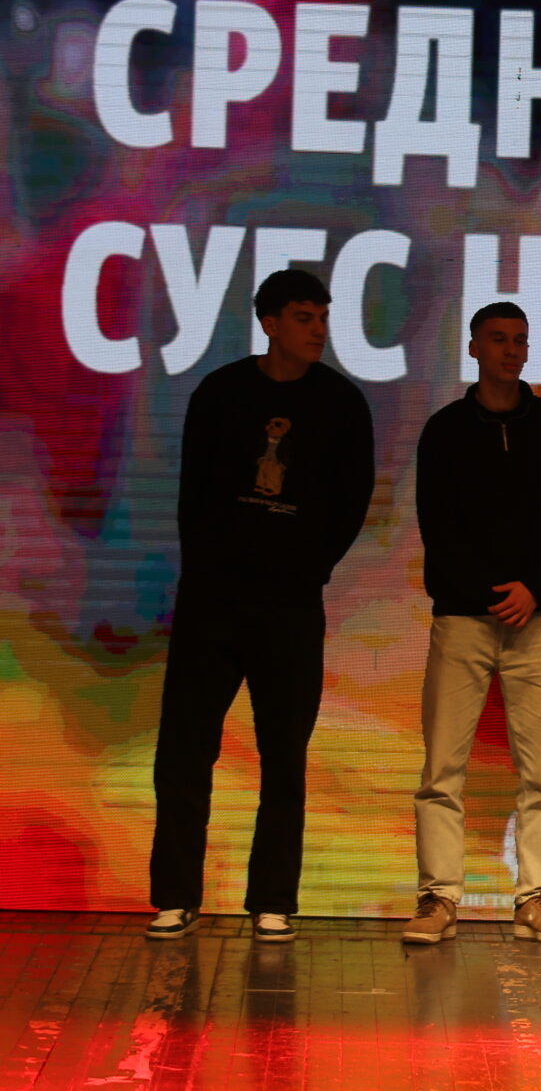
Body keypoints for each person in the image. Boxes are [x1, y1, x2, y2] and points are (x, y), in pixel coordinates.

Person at [146, 268, 374, 942]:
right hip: (212, 603)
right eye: (304, 317)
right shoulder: (221, 392)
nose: (318, 330)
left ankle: (272, 899)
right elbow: (194, 495)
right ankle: (175, 895)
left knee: (284, 756)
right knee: (185, 751)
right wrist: (209, 572)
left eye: (322, 317)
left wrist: (309, 569)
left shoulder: (341, 403)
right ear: (270, 323)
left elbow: (352, 500)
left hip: (291, 606)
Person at [402, 303, 541, 947]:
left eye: (520, 341)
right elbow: (438, 524)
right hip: (462, 619)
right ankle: (438, 898)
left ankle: (536, 897)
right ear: (474, 347)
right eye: (498, 339)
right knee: (442, 769)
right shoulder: (445, 429)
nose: (511, 350)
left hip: (538, 619)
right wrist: (487, 591)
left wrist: (536, 587)